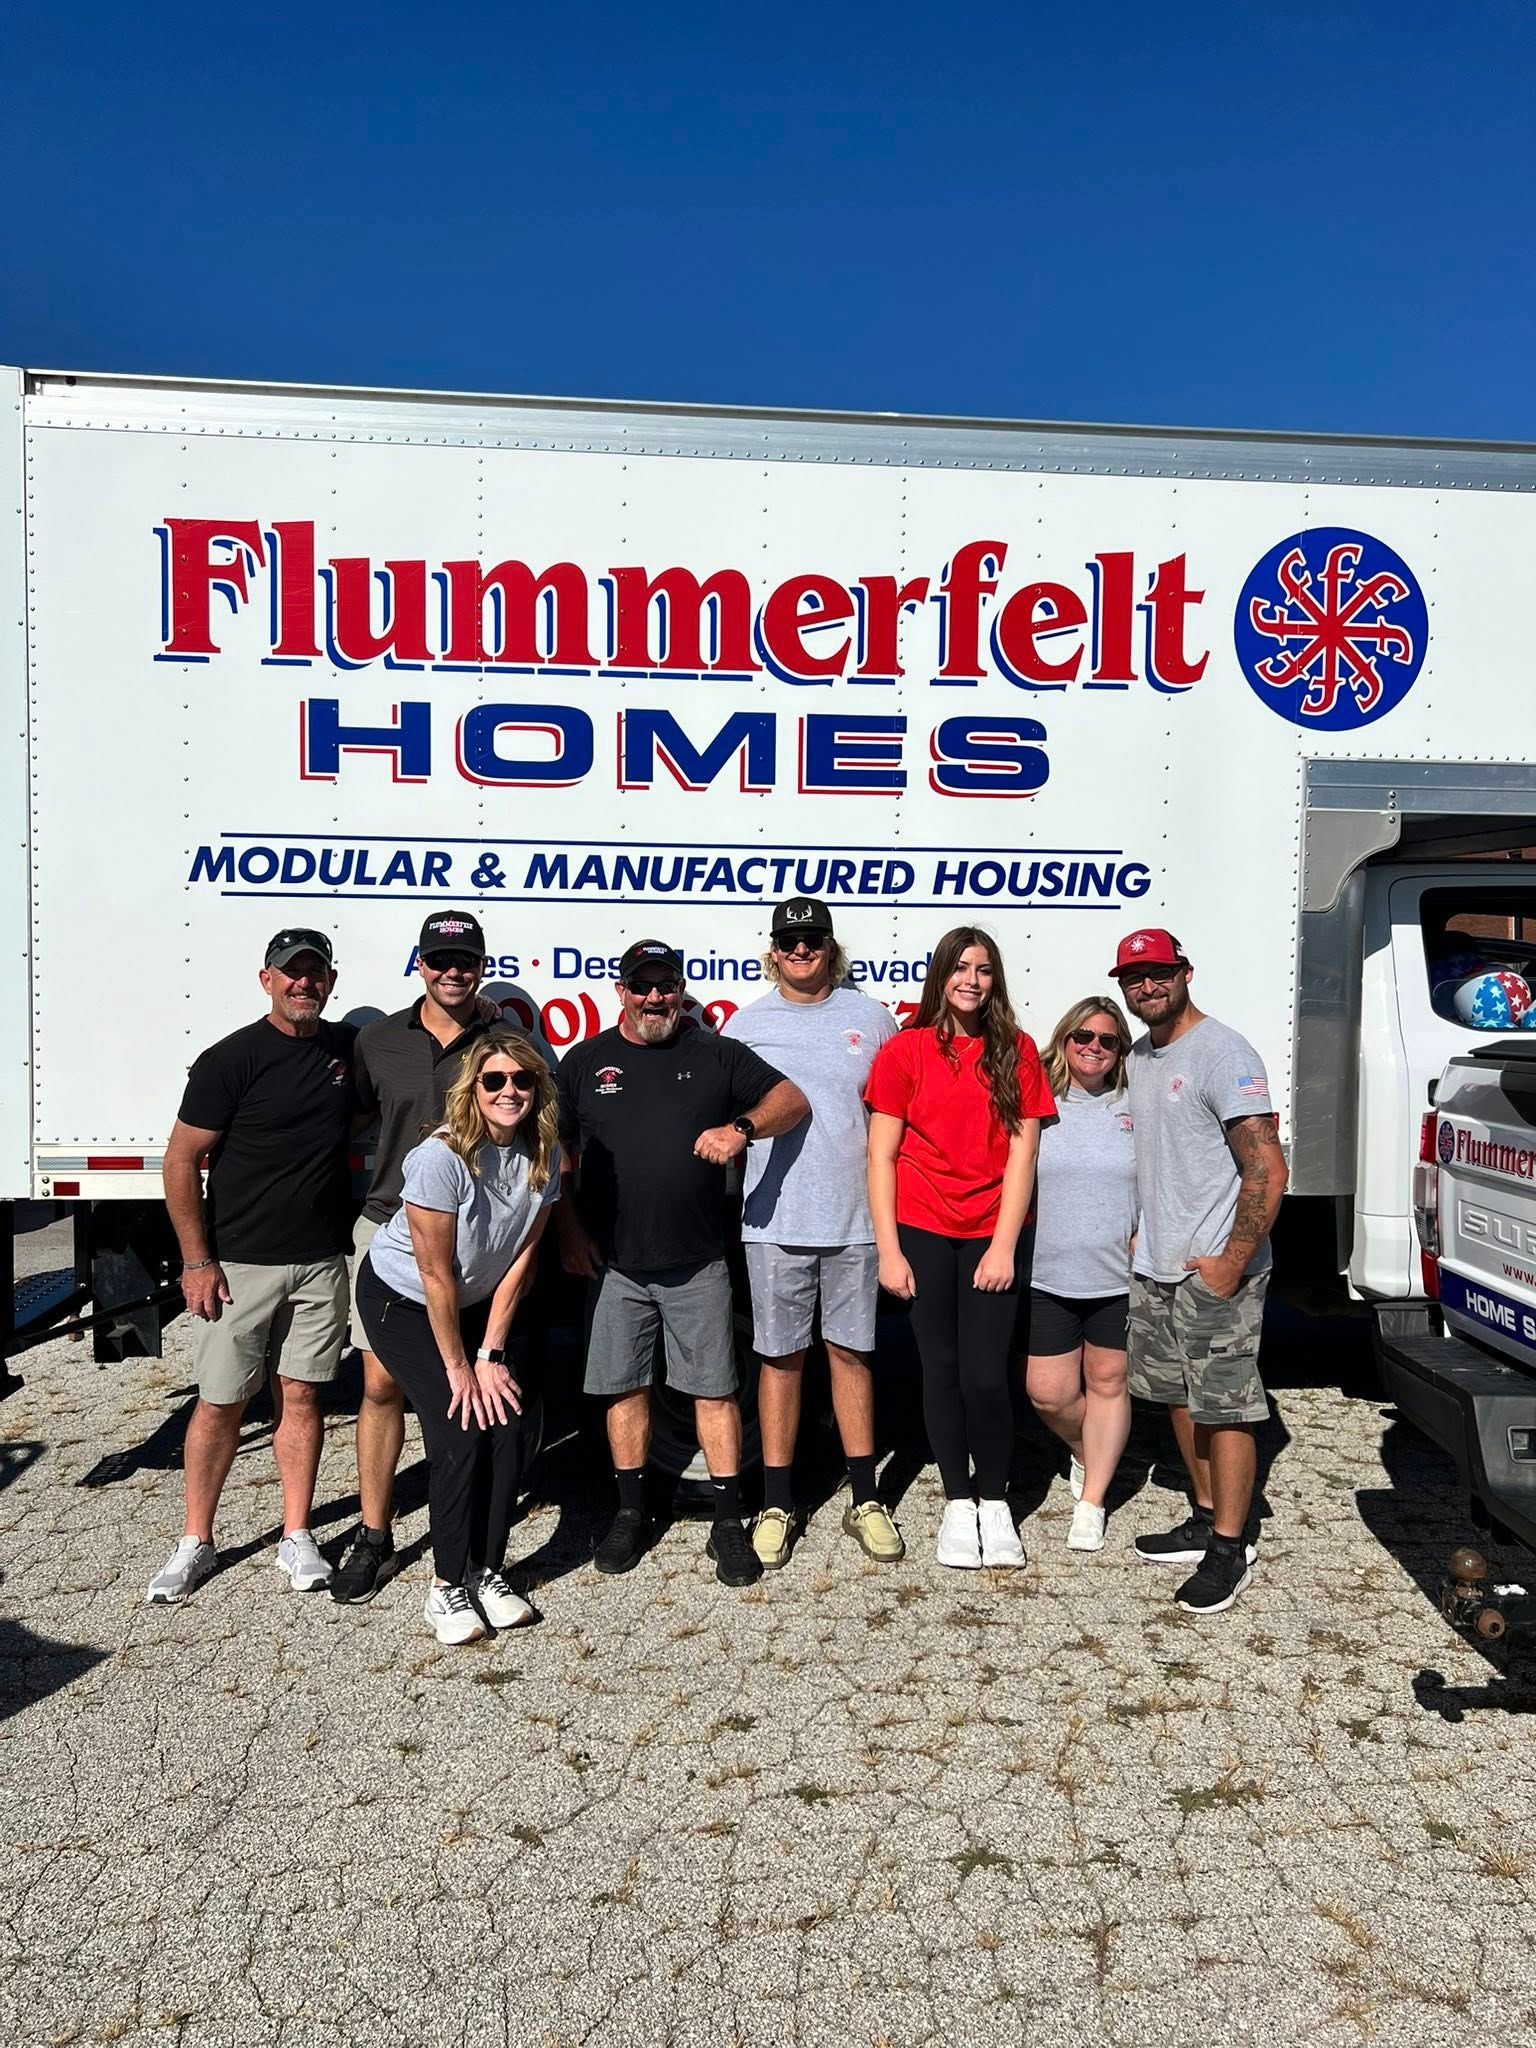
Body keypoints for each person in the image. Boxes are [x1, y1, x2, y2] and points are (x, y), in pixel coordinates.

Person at [556, 940, 809, 1586]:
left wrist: (742, 1130)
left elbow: (791, 1100)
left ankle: (729, 1521)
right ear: (621, 991)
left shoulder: (714, 1054)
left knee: (715, 1392)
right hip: (614, 1265)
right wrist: (568, 1227)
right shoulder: (585, 1063)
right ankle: (631, 1511)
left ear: (681, 990)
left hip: (698, 1263)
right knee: (624, 1389)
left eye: (666, 985)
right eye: (641, 986)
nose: (654, 998)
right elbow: (550, 1152)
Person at [331, 910, 555, 1604]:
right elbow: (352, 1123)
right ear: (420, 964)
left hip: (482, 1240)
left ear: (480, 966)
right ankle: (374, 1536)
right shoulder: (377, 1041)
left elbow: (543, 1147)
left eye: (466, 960)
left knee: (477, 1402)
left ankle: (472, 1550)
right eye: (439, 959)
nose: (452, 971)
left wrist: (478, 1354)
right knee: (380, 1387)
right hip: (395, 1233)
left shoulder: (503, 1046)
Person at [147, 929, 357, 1603]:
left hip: (320, 1262)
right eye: (291, 973)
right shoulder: (230, 1060)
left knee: (301, 1397)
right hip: (238, 1265)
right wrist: (196, 1260)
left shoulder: (345, 1054)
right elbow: (180, 1162)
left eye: (315, 973)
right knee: (220, 1402)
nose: (304, 984)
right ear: (266, 980)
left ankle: (297, 1536)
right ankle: (195, 1541)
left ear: (330, 980)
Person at [354, 1031, 560, 1644]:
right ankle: (446, 1588)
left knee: (510, 1424)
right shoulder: (441, 1157)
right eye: (493, 1080)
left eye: (522, 1080)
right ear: (472, 1088)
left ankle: (486, 1570)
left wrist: (492, 1352)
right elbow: (434, 1273)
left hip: (470, 1302)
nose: (508, 1092)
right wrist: (458, 1367)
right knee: (458, 1427)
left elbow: (522, 1256)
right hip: (402, 1298)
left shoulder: (543, 1154)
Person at [864, 927, 1054, 1569]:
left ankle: (995, 1502)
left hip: (990, 1234)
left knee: (985, 1373)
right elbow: (882, 1157)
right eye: (960, 968)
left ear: (995, 981)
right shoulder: (906, 1051)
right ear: (940, 976)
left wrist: (1003, 1246)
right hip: (921, 1229)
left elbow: (1025, 1156)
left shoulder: (1017, 1050)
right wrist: (888, 1251)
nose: (972, 980)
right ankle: (956, 1503)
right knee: (939, 1370)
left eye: (984, 969)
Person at [721, 897, 902, 1569]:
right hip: (773, 1222)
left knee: (852, 1356)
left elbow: (892, 1119)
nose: (802, 950)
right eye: (790, 941)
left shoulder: (871, 1019)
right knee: (780, 1360)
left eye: (813, 939)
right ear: (773, 950)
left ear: (831, 947)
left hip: (855, 1220)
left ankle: (865, 1498)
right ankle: (776, 1503)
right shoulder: (745, 1025)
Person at [1111, 927, 1287, 1615]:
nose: (1146, 987)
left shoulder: (1222, 1052)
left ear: (1185, 972)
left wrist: (1233, 1261)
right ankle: (1205, 1510)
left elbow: (1267, 1168)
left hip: (1215, 1267)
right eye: (1133, 978)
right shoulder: (1142, 1054)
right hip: (1160, 1262)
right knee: (1180, 1398)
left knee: (1227, 1405)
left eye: (1158, 973)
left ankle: (1231, 1544)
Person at [1024, 996, 1138, 1552]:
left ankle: (1092, 1502)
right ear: (1065, 1039)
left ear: (1120, 1051)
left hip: (1118, 1276)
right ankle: (1090, 1453)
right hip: (1048, 1274)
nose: (1094, 1047)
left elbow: (1166, 1176)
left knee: (1109, 1383)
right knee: (1047, 1394)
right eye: (1083, 1037)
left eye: (1107, 1040)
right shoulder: (1039, 1103)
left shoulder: (1135, 1106)